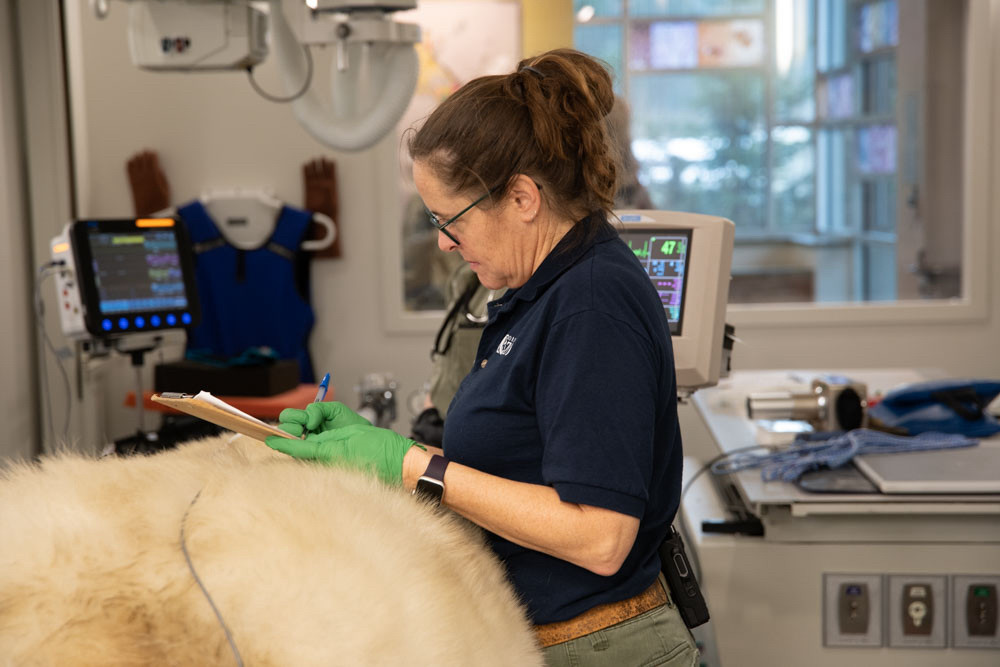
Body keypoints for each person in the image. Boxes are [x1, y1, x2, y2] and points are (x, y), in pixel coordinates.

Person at [266, 48, 698, 666]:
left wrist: (414, 466)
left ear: (522, 197)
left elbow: (601, 535)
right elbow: (521, 471)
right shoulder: (536, 291)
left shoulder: (592, 304)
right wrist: (379, 446)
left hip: (602, 645)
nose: (442, 241)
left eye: (450, 219)